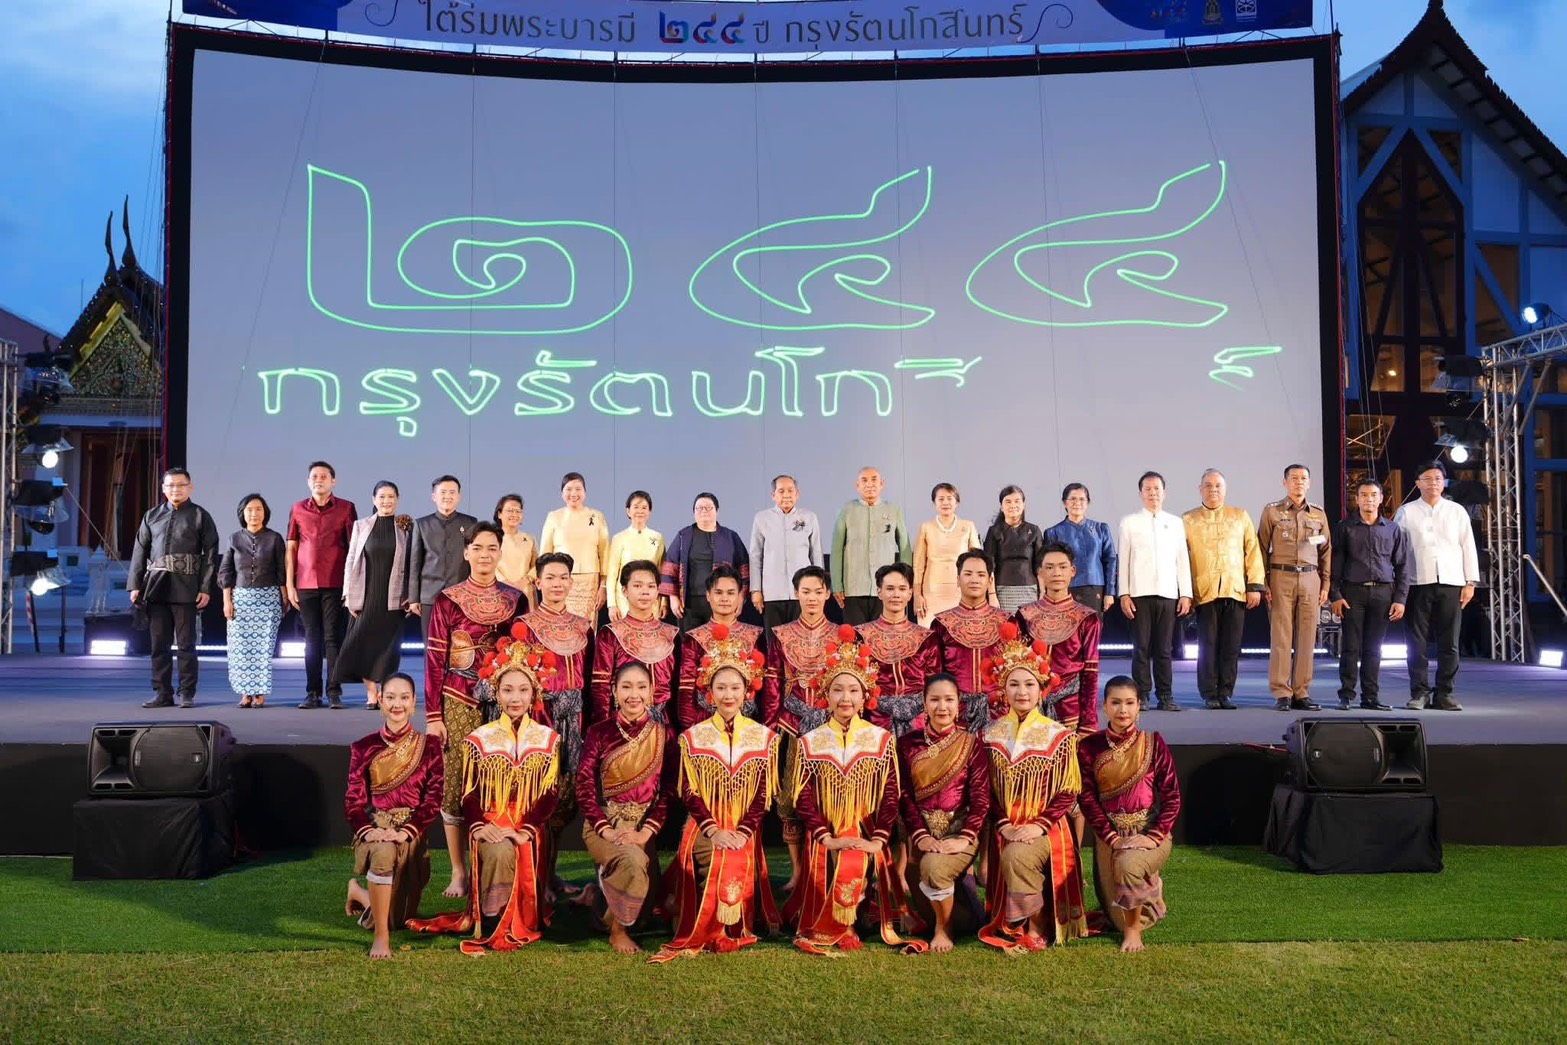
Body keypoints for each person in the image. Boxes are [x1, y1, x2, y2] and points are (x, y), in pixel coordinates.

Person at [408, 638, 561, 953]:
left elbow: (550, 793)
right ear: (496, 693)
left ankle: (520, 915)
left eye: (523, 690)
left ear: (534, 693)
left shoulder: (548, 738)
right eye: (508, 690)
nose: (515, 698)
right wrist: (479, 825)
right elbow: (470, 793)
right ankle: (493, 917)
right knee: (498, 849)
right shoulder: (480, 738)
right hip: (491, 820)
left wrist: (525, 829)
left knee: (518, 844)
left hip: (529, 824)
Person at [651, 627, 782, 962]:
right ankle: (706, 924)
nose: (728, 695)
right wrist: (713, 830)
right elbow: (690, 792)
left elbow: (762, 794)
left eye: (735, 687)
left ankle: (733, 925)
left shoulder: (763, 738)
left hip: (743, 827)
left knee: (736, 855)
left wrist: (742, 830)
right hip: (705, 825)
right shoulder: (693, 737)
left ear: (747, 692)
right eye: (720, 687)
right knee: (714, 855)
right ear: (709, 692)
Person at [786, 627, 920, 955]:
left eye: (853, 691)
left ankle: (854, 915)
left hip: (866, 830)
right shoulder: (810, 742)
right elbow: (802, 798)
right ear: (826, 694)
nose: (845, 698)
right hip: (825, 833)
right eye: (837, 690)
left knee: (856, 857)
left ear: (864, 697)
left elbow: (891, 795)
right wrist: (825, 836)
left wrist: (878, 838)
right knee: (837, 858)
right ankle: (840, 922)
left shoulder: (880, 740)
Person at [423, 522, 528, 900]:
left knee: (500, 784)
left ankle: (499, 866)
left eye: (492, 548)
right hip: (458, 700)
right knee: (454, 783)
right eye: (478, 548)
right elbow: (435, 659)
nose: (485, 555)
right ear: (466, 552)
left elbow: (522, 657)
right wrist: (433, 716)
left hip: (503, 705)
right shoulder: (448, 600)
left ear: (501, 553)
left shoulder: (516, 600)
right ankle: (458, 871)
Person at [978, 626, 1087, 952]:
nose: (1022, 692)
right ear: (1003, 689)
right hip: (1006, 826)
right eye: (1014, 684)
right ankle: (1019, 920)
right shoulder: (990, 734)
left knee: (1018, 855)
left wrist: (1037, 826)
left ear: (1041, 689)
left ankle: (1038, 924)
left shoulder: (1059, 735)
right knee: (1011, 850)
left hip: (1046, 828)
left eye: (1029, 684)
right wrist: (1004, 824)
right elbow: (986, 791)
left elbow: (1068, 792)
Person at [577, 661, 677, 955]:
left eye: (641, 687)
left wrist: (646, 832)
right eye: (626, 687)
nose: (634, 695)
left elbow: (669, 790)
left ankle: (597, 895)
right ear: (613, 691)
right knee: (632, 864)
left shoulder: (663, 734)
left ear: (652, 691)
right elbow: (584, 785)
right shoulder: (599, 732)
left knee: (643, 914)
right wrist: (606, 830)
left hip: (643, 826)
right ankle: (617, 933)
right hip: (606, 823)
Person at [1077, 675, 1182, 954]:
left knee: (1128, 866)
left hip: (1149, 832)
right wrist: (1112, 838)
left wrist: (1154, 836)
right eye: (1115, 703)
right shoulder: (1089, 747)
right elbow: (1087, 799)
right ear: (1104, 707)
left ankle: (1133, 931)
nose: (1122, 710)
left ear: (1138, 707)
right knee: (1115, 917)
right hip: (1110, 836)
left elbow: (1172, 797)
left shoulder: (1153, 743)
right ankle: (1150, 890)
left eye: (1129, 703)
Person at [343, 673, 443, 959]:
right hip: (377, 828)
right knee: (384, 854)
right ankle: (381, 938)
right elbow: (353, 802)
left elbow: (433, 799)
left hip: (410, 831)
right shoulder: (363, 747)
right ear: (380, 700)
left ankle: (358, 892)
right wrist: (370, 830)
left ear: (413, 702)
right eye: (390, 697)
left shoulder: (430, 746)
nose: (397, 704)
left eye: (404, 698)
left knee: (398, 919)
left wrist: (406, 831)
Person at [896, 673, 990, 954]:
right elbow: (904, 795)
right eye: (935, 700)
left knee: (934, 870)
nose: (942, 707)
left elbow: (981, 798)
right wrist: (921, 835)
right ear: (924, 703)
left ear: (959, 704)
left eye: (949, 700)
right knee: (930, 899)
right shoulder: (907, 744)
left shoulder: (972, 744)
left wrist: (964, 838)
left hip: (959, 834)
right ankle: (954, 917)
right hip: (921, 835)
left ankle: (943, 928)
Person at [763, 565, 837, 891]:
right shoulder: (781, 635)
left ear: (827, 594)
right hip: (791, 725)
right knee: (789, 801)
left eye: (818, 591)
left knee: (829, 800)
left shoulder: (842, 635)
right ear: (796, 594)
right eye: (805, 592)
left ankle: (829, 870)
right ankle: (796, 872)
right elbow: (773, 684)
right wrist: (772, 726)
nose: (812, 598)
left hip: (830, 727)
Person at [128, 467, 220, 709]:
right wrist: (135, 585)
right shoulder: (151, 516)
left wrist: (205, 587)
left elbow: (210, 555)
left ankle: (187, 692)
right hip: (156, 587)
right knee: (159, 644)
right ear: (163, 488)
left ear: (190, 487)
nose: (175, 489)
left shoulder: (200, 516)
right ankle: (162, 693)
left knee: (186, 643)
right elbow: (139, 551)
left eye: (181, 485)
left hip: (187, 587)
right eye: (170, 485)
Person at [1394, 462, 1480, 711]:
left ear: (1444, 483)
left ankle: (1445, 693)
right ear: (1417, 483)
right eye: (1428, 478)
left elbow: (1468, 546)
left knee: (1449, 642)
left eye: (1438, 478)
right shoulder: (1406, 512)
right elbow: (1397, 551)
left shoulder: (1456, 511)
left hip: (1451, 582)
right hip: (1416, 582)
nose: (1433, 483)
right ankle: (1419, 693)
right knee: (1416, 642)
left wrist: (1470, 582)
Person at [1182, 469, 1265, 710]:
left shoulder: (1239, 516)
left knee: (1231, 645)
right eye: (1208, 485)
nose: (1213, 490)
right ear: (1200, 489)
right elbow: (1180, 558)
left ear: (1225, 489)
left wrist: (1254, 586)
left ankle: (1226, 692)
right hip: (1204, 590)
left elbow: (1252, 551)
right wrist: (1186, 591)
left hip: (1235, 589)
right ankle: (1209, 692)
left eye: (1218, 485)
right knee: (1207, 645)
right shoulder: (1188, 519)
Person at [1256, 464, 1333, 712]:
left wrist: (1326, 583)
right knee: (1281, 637)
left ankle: (1301, 692)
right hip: (1281, 577)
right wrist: (1264, 583)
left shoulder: (1318, 514)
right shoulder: (1272, 511)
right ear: (1285, 482)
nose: (1299, 482)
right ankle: (1282, 692)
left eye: (1303, 478)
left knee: (1307, 637)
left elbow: (1326, 550)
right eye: (1294, 478)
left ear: (1309, 483)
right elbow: (1261, 548)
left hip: (1310, 579)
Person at [1329, 479, 1411, 711]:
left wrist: (1400, 600)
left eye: (1374, 495)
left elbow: (1403, 566)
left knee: (1374, 648)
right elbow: (1336, 564)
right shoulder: (1345, 527)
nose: (1369, 499)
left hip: (1383, 593)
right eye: (1364, 495)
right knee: (1351, 646)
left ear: (1381, 498)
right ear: (1356, 499)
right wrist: (1335, 594)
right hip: (1352, 592)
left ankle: (1370, 697)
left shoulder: (1392, 529)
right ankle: (1346, 695)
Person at [1117, 472, 1193, 712]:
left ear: (1164, 492)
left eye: (1157, 488)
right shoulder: (1129, 522)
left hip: (1168, 594)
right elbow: (1124, 560)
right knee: (1141, 648)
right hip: (1139, 594)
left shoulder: (1175, 522)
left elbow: (1182, 559)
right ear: (1141, 493)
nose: (1153, 493)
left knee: (1164, 649)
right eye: (1148, 489)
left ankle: (1165, 695)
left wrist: (1186, 593)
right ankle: (1142, 695)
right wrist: (1124, 594)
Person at [334, 481, 413, 710]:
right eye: (382, 496)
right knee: (362, 645)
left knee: (388, 649)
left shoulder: (405, 527)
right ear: (373, 500)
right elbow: (351, 560)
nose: (386, 501)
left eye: (391, 496)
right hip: (366, 596)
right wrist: (348, 595)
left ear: (397, 499)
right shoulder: (361, 525)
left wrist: (411, 595)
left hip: (394, 597)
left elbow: (412, 563)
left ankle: (384, 692)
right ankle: (371, 691)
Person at [285, 461, 356, 709]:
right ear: (308, 481)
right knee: (311, 638)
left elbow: (353, 549)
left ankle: (334, 691)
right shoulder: (297, 509)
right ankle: (312, 692)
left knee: (332, 638)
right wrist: (290, 584)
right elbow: (291, 547)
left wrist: (351, 585)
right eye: (314, 476)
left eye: (324, 476)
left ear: (333, 481)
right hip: (305, 582)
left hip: (335, 581)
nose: (319, 480)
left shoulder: (346, 508)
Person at [1016, 542, 1101, 735]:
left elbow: (1090, 673)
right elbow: (1016, 667)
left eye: (1063, 567)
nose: (1057, 573)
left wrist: (1088, 722)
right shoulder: (1025, 614)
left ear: (1072, 571)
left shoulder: (1086, 618)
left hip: (1070, 712)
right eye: (1049, 567)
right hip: (1029, 709)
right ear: (1040, 572)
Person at [676, 565, 768, 731]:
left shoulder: (755, 635)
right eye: (718, 593)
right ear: (708, 596)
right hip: (706, 723)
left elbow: (765, 689)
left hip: (747, 723)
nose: (724, 598)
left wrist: (759, 727)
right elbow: (686, 690)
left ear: (740, 596)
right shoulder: (695, 638)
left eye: (731, 593)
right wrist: (694, 727)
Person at [931, 550, 1012, 732]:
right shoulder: (941, 624)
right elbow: (935, 675)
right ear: (958, 580)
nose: (974, 580)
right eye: (968, 574)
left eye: (981, 575)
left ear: (990, 581)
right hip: (955, 715)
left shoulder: (1007, 622)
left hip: (999, 713)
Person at [857, 562, 940, 738]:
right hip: (875, 720)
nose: (896, 595)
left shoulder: (926, 637)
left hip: (919, 721)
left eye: (902, 589)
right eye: (890, 589)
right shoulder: (862, 635)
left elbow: (934, 683)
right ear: (879, 592)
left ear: (910, 593)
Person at [590, 560, 679, 724]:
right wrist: (604, 728)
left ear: (658, 590)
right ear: (625, 591)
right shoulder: (611, 633)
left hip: (664, 723)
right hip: (624, 722)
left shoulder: (672, 634)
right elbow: (601, 686)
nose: (645, 592)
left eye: (651, 586)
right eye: (637, 586)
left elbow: (677, 686)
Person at [219, 493, 285, 709]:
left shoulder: (274, 538)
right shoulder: (234, 539)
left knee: (264, 649)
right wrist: (227, 601)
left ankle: (260, 694)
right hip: (240, 600)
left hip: (268, 599)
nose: (254, 513)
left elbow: (281, 571)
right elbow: (226, 572)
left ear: (265, 513)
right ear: (242, 513)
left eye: (258, 509)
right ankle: (245, 693)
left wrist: (284, 597)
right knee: (240, 649)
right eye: (249, 509)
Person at [831, 466, 912, 626]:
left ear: (882, 484)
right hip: (852, 587)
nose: (869, 484)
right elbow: (836, 550)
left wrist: (906, 581)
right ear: (857, 485)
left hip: (886, 589)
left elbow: (904, 547)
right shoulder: (846, 510)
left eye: (874, 480)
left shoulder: (893, 510)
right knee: (855, 637)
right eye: (864, 480)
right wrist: (837, 585)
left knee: (884, 635)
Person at [661, 492, 750, 631]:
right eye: (699, 508)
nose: (704, 511)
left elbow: (744, 570)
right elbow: (670, 566)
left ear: (717, 511)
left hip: (722, 601)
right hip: (689, 604)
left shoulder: (730, 537)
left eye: (708, 507)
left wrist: (740, 597)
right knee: (690, 642)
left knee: (721, 641)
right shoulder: (684, 536)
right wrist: (673, 597)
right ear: (694, 512)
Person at [408, 475, 479, 644]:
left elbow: (474, 561)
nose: (448, 496)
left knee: (460, 646)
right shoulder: (421, 524)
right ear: (434, 496)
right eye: (443, 492)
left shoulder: (470, 523)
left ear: (459, 497)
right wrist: (413, 598)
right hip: (429, 596)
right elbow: (415, 563)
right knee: (431, 646)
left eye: (452, 492)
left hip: (461, 596)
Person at [748, 474, 823, 629]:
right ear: (773, 495)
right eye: (781, 491)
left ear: (797, 493)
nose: (786, 495)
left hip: (803, 593)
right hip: (771, 592)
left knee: (802, 637)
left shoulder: (809, 517)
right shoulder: (762, 518)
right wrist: (755, 590)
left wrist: (819, 588)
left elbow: (816, 554)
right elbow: (755, 557)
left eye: (790, 490)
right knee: (774, 640)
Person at [539, 472, 610, 621]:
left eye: (578, 489)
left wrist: (603, 586)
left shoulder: (596, 516)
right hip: (560, 579)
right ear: (562, 493)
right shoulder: (554, 517)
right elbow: (545, 554)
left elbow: (605, 553)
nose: (574, 493)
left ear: (585, 492)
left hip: (589, 580)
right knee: (560, 622)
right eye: (569, 489)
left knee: (585, 625)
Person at [913, 483, 983, 624]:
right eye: (941, 499)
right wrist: (917, 595)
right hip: (931, 591)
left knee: (960, 631)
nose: (945, 502)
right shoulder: (926, 527)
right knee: (930, 632)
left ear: (957, 503)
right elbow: (918, 564)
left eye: (950, 498)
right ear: (934, 503)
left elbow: (979, 561)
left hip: (961, 589)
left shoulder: (968, 526)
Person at [1044, 483, 1118, 615]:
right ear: (1064, 502)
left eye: (1082, 499)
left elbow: (1111, 560)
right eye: (1072, 499)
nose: (1077, 503)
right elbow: (1048, 566)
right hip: (1064, 588)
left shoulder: (1100, 529)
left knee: (1093, 627)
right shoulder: (1053, 532)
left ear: (1088, 503)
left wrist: (1109, 592)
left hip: (1095, 587)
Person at [605, 490, 664, 622]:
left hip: (650, 597)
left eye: (644, 507)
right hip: (624, 598)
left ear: (650, 512)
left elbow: (661, 572)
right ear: (628, 511)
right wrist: (611, 604)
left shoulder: (658, 538)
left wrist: (664, 602)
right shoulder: (619, 538)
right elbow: (612, 574)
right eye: (636, 507)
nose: (640, 511)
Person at [984, 485, 1045, 615]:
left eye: (1017, 501)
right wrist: (992, 594)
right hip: (1002, 590)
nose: (1013, 505)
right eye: (1008, 501)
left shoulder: (1034, 530)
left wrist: (1043, 593)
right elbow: (989, 566)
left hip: (1029, 590)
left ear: (1023, 505)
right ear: (1002, 507)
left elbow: (1040, 565)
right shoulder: (994, 531)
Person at [493, 493, 537, 607]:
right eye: (510, 510)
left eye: (518, 511)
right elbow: (488, 563)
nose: (514, 514)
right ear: (499, 514)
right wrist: (505, 583)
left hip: (525, 591)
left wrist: (525, 581)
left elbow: (537, 565)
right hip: (498, 590)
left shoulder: (529, 538)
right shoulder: (492, 538)